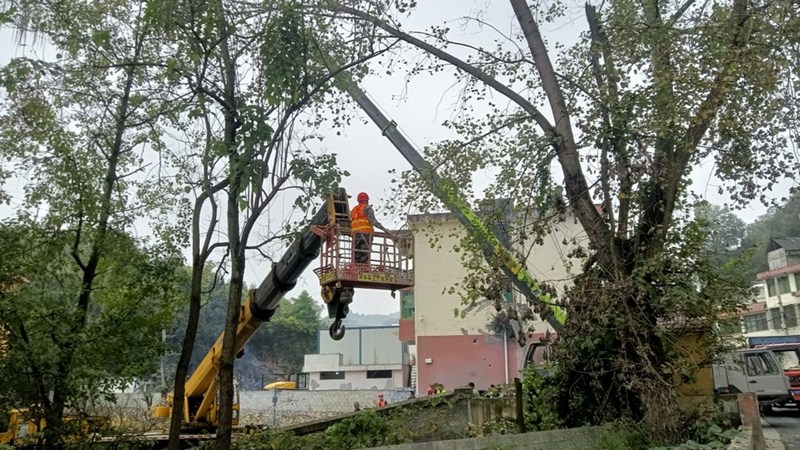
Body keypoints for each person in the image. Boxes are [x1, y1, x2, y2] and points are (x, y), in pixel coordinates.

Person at [350, 192, 392, 264]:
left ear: (358, 201)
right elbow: (373, 221)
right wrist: (384, 229)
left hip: (355, 236)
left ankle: (356, 270)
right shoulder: (367, 208)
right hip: (365, 235)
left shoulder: (354, 210)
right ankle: (363, 271)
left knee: (356, 256)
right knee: (364, 256)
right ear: (367, 200)